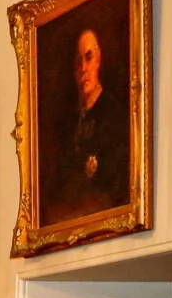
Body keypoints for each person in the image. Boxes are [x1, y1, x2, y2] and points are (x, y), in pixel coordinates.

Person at [53, 26, 128, 219]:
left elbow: (112, 183)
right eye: (78, 61)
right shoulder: (68, 122)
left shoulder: (113, 113)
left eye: (88, 58)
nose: (83, 68)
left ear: (99, 60)